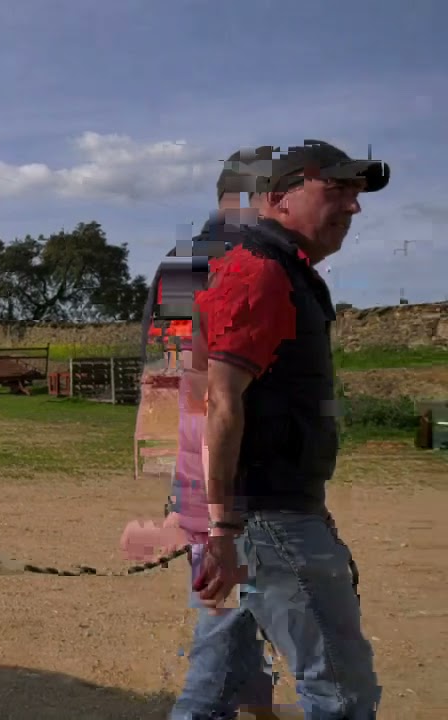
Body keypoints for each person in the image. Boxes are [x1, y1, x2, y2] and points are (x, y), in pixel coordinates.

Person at [175, 140, 389, 719]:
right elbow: (221, 403)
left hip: (257, 515)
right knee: (343, 694)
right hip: (263, 520)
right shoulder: (260, 272)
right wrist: (223, 527)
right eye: (336, 190)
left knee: (221, 685)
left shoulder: (264, 266)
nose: (353, 207)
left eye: (355, 194)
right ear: (276, 198)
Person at [122, 148, 277, 716]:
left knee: (237, 600)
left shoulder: (181, 264)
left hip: (186, 453)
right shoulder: (247, 262)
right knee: (227, 604)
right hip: (236, 463)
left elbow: (165, 364)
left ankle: (259, 707)